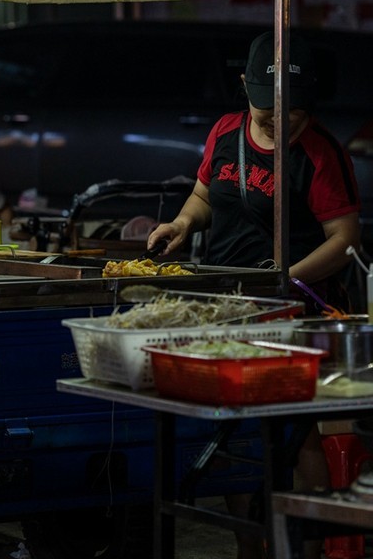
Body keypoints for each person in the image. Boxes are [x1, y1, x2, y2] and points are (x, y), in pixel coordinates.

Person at [147, 30, 360, 559]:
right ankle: (250, 549)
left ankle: (302, 548)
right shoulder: (224, 132)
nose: (276, 120)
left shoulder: (319, 152)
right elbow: (203, 195)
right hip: (227, 306)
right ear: (244, 85)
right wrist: (182, 224)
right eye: (266, 109)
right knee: (236, 436)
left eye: (289, 111)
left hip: (295, 313)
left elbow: (345, 240)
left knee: (296, 433)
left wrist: (286, 277)